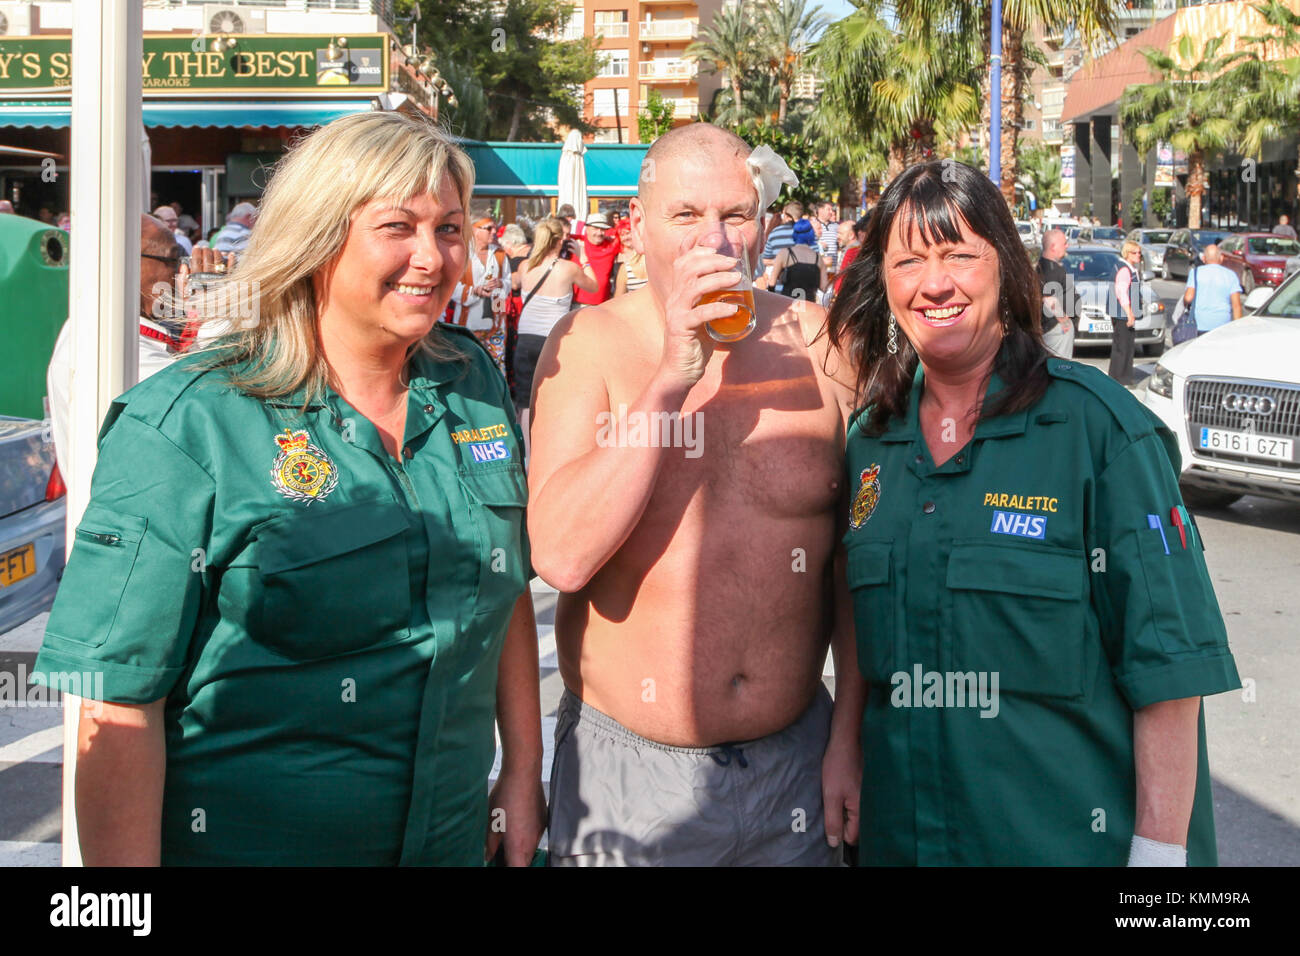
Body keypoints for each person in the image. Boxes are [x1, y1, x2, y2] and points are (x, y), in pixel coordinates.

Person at [31, 110, 545, 867]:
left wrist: (523, 776)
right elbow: (116, 701)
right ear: (317, 238)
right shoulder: (187, 423)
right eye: (397, 227)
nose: (432, 258)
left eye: (451, 229)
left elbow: (503, 601)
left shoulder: (471, 384)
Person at [826, 159, 1240, 865]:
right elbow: (864, 633)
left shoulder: (1101, 430)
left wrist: (1161, 857)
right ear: (882, 282)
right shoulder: (872, 442)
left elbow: (1170, 667)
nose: (935, 284)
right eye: (909, 261)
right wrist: (844, 746)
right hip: (904, 840)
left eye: (960, 254)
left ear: (1005, 267)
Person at [527, 122, 863, 866]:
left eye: (735, 215)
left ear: (764, 223)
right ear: (640, 227)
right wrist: (671, 376)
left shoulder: (821, 345)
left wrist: (849, 737)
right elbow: (561, 557)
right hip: (630, 776)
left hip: (797, 761)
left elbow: (854, 567)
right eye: (685, 216)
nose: (715, 240)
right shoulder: (588, 345)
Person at [513, 216, 598, 450]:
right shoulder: (569, 269)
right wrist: (584, 257)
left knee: (524, 400)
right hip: (554, 340)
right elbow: (594, 285)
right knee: (556, 397)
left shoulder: (525, 266)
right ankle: (552, 449)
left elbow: (512, 284)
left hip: (526, 339)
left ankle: (526, 456)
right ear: (559, 241)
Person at [450, 216, 511, 372]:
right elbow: (450, 286)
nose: (494, 232)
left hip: (496, 323)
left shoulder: (499, 254)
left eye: (495, 228)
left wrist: (501, 284)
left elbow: (508, 282)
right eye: (489, 228)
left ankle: (496, 395)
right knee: (467, 366)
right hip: (468, 322)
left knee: (496, 366)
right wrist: (474, 291)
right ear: (474, 230)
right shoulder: (461, 253)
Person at [1181, 244, 1242, 336]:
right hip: (1222, 324)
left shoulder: (1195, 272)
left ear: (1204, 258)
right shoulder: (1231, 275)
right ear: (1221, 258)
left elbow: (1188, 298)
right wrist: (1237, 328)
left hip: (1198, 324)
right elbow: (1236, 306)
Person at [1037, 227, 1075, 359]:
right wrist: (1064, 321)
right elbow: (1049, 299)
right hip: (1056, 328)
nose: (1067, 246)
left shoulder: (1043, 266)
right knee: (1060, 367)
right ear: (1053, 247)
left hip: (1052, 327)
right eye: (1064, 243)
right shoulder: (1050, 269)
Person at [765, 218, 826, 300]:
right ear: (811, 234)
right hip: (809, 305)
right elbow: (824, 287)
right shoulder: (818, 258)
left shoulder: (785, 253)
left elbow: (772, 283)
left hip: (788, 305)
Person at [1109, 239, 1142, 385]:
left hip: (1120, 312)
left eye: (1139, 252)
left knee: (1122, 346)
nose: (1138, 255)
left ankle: (1117, 377)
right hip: (1122, 313)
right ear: (1127, 254)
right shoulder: (1124, 269)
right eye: (1134, 253)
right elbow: (1121, 292)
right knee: (1124, 347)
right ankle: (1121, 379)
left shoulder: (1127, 267)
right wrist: (1129, 312)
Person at [572, 213, 620, 307]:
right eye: (595, 228)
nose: (599, 233)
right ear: (587, 229)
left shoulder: (611, 246)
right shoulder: (576, 244)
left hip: (603, 305)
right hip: (578, 305)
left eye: (602, 229)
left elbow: (626, 235)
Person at [760, 200, 802, 269]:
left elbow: (765, 260)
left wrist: (781, 262)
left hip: (782, 276)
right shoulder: (808, 232)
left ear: (786, 215)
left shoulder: (775, 233)